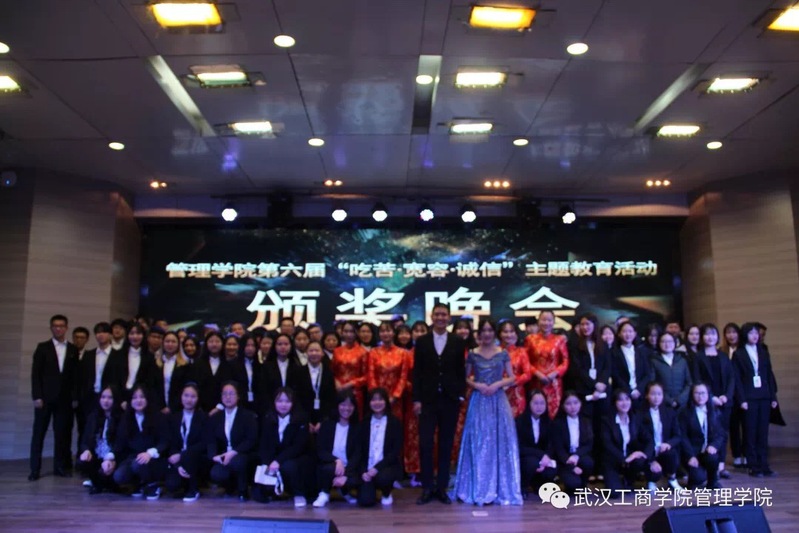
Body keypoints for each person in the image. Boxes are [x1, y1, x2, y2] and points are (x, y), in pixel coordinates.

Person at [452, 319, 522, 505]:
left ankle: (499, 487)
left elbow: (512, 377)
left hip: (498, 400)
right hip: (479, 400)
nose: (487, 334)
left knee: (499, 440)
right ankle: (478, 486)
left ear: (494, 333)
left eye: (490, 330)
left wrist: (498, 384)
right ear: (479, 333)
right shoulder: (473, 354)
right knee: (479, 441)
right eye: (484, 330)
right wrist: (478, 385)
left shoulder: (503, 353)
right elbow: (465, 377)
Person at [413, 304, 466, 505]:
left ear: (449, 318)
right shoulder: (422, 341)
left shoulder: (457, 341)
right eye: (437, 314)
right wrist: (417, 399)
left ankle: (442, 488)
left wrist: (460, 395)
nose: (440, 318)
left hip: (450, 400)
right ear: (432, 317)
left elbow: (460, 370)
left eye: (444, 314)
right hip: (427, 401)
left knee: (446, 444)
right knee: (426, 444)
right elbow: (417, 372)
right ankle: (427, 488)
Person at [29, 314, 80, 481]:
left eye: (61, 326)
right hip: (44, 398)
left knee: (61, 435)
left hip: (64, 399)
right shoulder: (42, 347)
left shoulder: (73, 349)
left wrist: (74, 397)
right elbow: (36, 374)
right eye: (55, 326)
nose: (58, 329)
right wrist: (37, 396)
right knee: (39, 434)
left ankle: (59, 467)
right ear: (51, 328)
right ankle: (34, 469)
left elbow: (74, 376)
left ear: (66, 328)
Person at [566, 313, 611, 472]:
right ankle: (588, 468)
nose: (585, 327)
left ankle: (601, 468)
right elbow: (577, 370)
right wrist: (594, 385)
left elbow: (607, 367)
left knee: (601, 430)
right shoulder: (574, 345)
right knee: (587, 431)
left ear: (594, 325)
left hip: (602, 393)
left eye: (588, 324)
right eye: (582, 324)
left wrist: (602, 383)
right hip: (584, 392)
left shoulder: (603, 344)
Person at [732, 323, 779, 477]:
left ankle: (764, 464)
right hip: (748, 397)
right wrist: (741, 399)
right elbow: (737, 379)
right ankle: (753, 465)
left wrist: (773, 396)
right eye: (751, 333)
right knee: (750, 432)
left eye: (756, 333)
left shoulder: (763, 351)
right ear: (745, 335)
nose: (755, 336)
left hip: (764, 396)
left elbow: (769, 375)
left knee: (763, 432)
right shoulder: (739, 354)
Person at [256, 387, 312, 507]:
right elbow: (264, 444)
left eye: (287, 401)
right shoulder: (268, 418)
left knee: (289, 466)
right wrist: (267, 462)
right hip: (275, 457)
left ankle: (299, 493)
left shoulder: (301, 419)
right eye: (280, 401)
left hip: (296, 457)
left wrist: (278, 461)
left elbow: (298, 446)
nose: (283, 405)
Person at [112, 384, 170, 499]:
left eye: (142, 397)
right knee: (119, 476)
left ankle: (153, 485)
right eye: (134, 398)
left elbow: (165, 441)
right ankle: (138, 484)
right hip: (133, 458)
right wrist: (110, 457)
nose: (138, 400)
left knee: (138, 464)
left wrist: (150, 453)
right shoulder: (126, 418)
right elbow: (120, 443)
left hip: (155, 458)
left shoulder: (158, 417)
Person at [695, 323, 735, 480]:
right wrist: (711, 397)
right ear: (702, 337)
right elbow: (697, 379)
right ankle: (708, 464)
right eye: (706, 334)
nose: (710, 337)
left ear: (717, 337)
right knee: (709, 432)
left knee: (723, 433)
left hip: (724, 401)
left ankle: (721, 466)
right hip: (706, 400)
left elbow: (731, 378)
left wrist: (726, 396)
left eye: (713, 334)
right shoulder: (698, 357)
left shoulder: (723, 356)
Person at [207, 381, 258, 501]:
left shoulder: (248, 416)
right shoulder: (216, 417)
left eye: (231, 394)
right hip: (224, 454)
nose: (228, 397)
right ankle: (230, 487)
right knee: (216, 474)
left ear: (238, 396)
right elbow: (211, 440)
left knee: (238, 462)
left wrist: (233, 452)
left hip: (243, 453)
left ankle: (243, 490)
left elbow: (251, 439)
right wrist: (214, 456)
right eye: (225, 394)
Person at [313, 390, 362, 507]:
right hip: (331, 464)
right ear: (337, 406)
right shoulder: (327, 425)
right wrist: (336, 460)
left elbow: (358, 454)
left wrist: (346, 474)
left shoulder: (358, 428)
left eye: (350, 405)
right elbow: (321, 450)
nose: (346, 408)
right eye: (343, 404)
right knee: (327, 469)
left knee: (358, 479)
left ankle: (345, 491)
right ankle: (324, 493)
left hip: (350, 468)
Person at [357, 388, 403, 507]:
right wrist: (363, 471)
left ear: (386, 401)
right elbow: (359, 450)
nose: (377, 403)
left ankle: (386, 493)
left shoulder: (394, 422)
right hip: (367, 468)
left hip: (385, 467)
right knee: (365, 501)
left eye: (380, 399)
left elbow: (395, 451)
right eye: (373, 400)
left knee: (384, 478)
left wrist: (377, 468)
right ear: (369, 403)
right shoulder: (364, 423)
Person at [165, 382, 208, 502]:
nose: (189, 400)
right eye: (186, 395)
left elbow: (204, 443)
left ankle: (193, 489)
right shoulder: (174, 418)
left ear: (198, 399)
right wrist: (177, 463)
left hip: (197, 458)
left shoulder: (203, 417)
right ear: (181, 396)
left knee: (189, 457)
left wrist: (183, 455)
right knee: (171, 485)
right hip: (178, 459)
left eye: (193, 396)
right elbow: (171, 442)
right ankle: (183, 484)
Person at [601, 390, 650, 496]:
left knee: (640, 460)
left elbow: (649, 439)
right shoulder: (606, 421)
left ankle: (628, 481)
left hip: (630, 459)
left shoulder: (635, 418)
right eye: (620, 400)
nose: (624, 403)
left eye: (627, 399)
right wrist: (625, 458)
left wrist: (644, 454)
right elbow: (607, 445)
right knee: (614, 493)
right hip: (613, 461)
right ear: (614, 403)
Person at [678, 382, 724, 489]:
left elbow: (721, 434)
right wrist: (690, 456)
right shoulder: (684, 412)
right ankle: (695, 476)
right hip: (692, 452)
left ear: (708, 395)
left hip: (707, 452)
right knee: (697, 479)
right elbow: (682, 437)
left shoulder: (714, 411)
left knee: (713, 457)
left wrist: (714, 445)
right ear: (692, 395)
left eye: (703, 393)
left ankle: (712, 482)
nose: (700, 396)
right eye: (697, 393)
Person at [77, 385, 122, 494]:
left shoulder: (121, 418)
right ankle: (97, 482)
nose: (106, 401)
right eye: (103, 397)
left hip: (114, 457)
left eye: (110, 398)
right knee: (82, 461)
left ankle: (108, 483)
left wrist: (111, 458)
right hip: (97, 457)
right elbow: (85, 440)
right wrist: (86, 450)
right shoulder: (93, 417)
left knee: (115, 475)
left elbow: (122, 443)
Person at [525, 310, 569, 419]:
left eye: (549, 320)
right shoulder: (530, 339)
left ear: (554, 322)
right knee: (536, 412)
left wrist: (555, 373)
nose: (546, 323)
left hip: (554, 383)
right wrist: (537, 373)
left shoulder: (559, 339)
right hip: (536, 382)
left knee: (554, 414)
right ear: (538, 321)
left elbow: (565, 361)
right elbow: (525, 361)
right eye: (543, 320)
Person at [78, 322, 115, 452]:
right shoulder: (88, 355)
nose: (100, 335)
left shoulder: (118, 355)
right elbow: (82, 378)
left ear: (110, 335)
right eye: (98, 332)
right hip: (90, 397)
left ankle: (104, 456)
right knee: (86, 429)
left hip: (108, 398)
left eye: (104, 332)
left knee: (106, 428)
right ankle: (84, 456)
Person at [641, 382, 683, 492]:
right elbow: (639, 439)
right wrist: (651, 460)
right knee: (649, 466)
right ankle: (651, 480)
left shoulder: (669, 412)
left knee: (672, 453)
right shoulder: (640, 413)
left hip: (663, 449)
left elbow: (677, 435)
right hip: (648, 451)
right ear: (646, 395)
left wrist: (668, 444)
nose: (656, 397)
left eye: (659, 394)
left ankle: (672, 479)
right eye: (653, 394)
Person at [516, 389, 556, 500]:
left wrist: (546, 457)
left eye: (542, 403)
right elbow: (520, 447)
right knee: (531, 463)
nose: (539, 407)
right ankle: (523, 487)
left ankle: (539, 485)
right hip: (526, 458)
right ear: (529, 404)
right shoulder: (520, 421)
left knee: (552, 469)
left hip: (542, 458)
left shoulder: (548, 422)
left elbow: (551, 444)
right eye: (536, 403)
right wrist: (540, 455)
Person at [551, 391, 593, 494]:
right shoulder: (558, 423)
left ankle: (583, 484)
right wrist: (571, 466)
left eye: (575, 402)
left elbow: (589, 444)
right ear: (563, 406)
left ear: (580, 404)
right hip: (564, 460)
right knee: (572, 484)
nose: (573, 407)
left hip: (579, 456)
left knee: (588, 462)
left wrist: (577, 455)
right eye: (568, 404)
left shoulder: (586, 421)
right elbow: (558, 448)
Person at [367, 321, 409, 420]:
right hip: (377, 399)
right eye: (382, 331)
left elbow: (403, 377)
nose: (385, 334)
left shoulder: (403, 353)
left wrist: (394, 397)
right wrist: (377, 397)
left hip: (396, 399)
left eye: (388, 331)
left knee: (394, 424)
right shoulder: (373, 352)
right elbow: (371, 375)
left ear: (394, 333)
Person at [108, 323, 156, 406]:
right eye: (132, 333)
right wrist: (120, 399)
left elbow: (149, 381)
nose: (135, 336)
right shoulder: (118, 355)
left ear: (143, 336)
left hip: (140, 398)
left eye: (138, 333)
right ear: (127, 335)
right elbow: (114, 378)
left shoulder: (149, 357)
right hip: (121, 396)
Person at [296, 341, 337, 433]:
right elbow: (297, 398)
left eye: (317, 350)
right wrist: (306, 421)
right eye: (311, 350)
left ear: (322, 353)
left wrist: (323, 421)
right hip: (304, 417)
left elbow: (331, 398)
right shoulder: (299, 372)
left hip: (324, 417)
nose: (314, 353)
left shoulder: (328, 372)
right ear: (306, 353)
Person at [612, 322, 653, 411]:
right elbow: (616, 375)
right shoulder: (614, 353)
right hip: (622, 394)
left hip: (640, 394)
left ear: (635, 334)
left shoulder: (642, 352)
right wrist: (629, 391)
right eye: (624, 331)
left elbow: (647, 374)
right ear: (619, 334)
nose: (628, 334)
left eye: (630, 331)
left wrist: (639, 389)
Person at [722, 322, 746, 468]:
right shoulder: (722, 351)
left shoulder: (744, 350)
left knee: (747, 426)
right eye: (728, 332)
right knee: (733, 426)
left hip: (743, 394)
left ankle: (747, 454)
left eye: (734, 332)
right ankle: (736, 455)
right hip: (729, 394)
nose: (731, 335)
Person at [332, 322, 368, 417]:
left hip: (355, 392)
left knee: (355, 417)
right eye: (346, 331)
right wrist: (336, 382)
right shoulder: (337, 351)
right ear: (342, 332)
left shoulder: (363, 352)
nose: (348, 334)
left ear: (356, 333)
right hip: (339, 390)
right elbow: (332, 371)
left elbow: (366, 376)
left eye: (351, 331)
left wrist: (351, 384)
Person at [194, 331, 234, 414]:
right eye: (211, 341)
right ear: (206, 344)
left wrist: (220, 406)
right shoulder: (198, 364)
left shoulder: (229, 364)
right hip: (201, 409)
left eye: (217, 341)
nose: (214, 344)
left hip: (224, 407)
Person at [499, 319, 532, 418]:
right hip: (498, 392)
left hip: (517, 394)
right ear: (499, 334)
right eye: (505, 332)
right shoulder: (494, 352)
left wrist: (511, 382)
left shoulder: (521, 352)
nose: (508, 335)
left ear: (516, 334)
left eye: (511, 331)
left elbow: (528, 374)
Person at [650, 333, 692, 410]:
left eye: (670, 341)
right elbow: (652, 383)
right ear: (659, 343)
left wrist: (680, 399)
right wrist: (669, 400)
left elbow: (689, 383)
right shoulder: (654, 361)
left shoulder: (682, 361)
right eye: (663, 341)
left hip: (682, 404)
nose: (667, 344)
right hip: (662, 403)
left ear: (675, 343)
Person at [153, 331, 192, 413]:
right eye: (167, 341)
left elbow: (185, 389)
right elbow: (153, 388)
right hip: (158, 409)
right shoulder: (155, 364)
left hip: (178, 409)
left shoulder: (185, 365)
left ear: (178, 344)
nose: (170, 344)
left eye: (173, 342)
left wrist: (172, 407)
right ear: (163, 343)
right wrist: (161, 406)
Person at [261, 333, 304, 407]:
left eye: (286, 344)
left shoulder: (297, 366)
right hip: (271, 406)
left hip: (293, 405)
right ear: (274, 346)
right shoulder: (266, 367)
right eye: (279, 344)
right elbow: (263, 390)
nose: (283, 347)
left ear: (291, 346)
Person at [232, 333, 262, 414]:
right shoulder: (233, 365)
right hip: (239, 403)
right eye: (247, 345)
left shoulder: (259, 366)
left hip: (256, 404)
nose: (250, 348)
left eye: (253, 346)